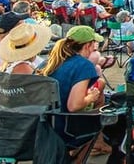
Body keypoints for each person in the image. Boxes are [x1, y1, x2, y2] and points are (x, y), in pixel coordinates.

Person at [40, 25, 108, 160]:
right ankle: (83, 154)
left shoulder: (52, 61)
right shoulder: (84, 65)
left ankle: (75, 153)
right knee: (99, 118)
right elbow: (74, 105)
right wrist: (90, 97)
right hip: (65, 127)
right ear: (88, 45)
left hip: (45, 124)